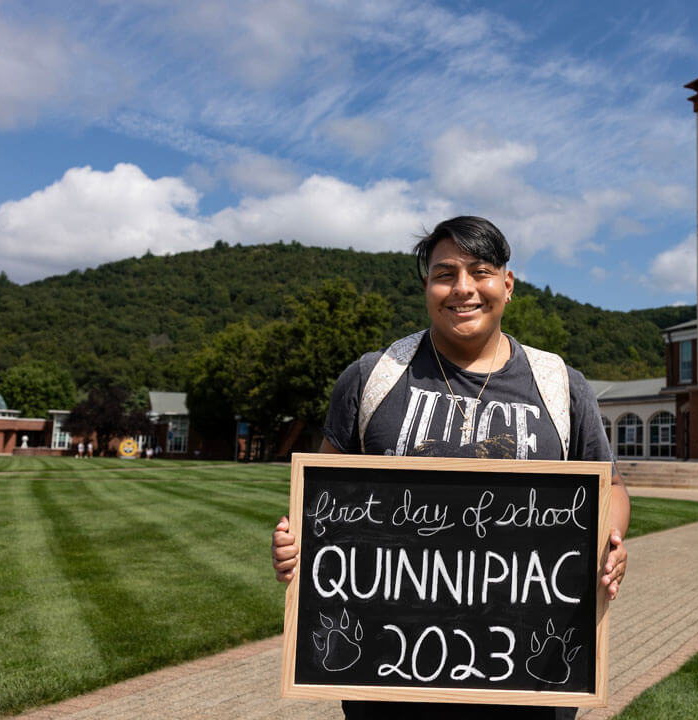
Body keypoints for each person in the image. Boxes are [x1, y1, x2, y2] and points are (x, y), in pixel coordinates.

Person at [270, 216, 630, 720]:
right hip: (390, 678)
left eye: (480, 271)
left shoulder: (561, 385)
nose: (463, 288)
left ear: (507, 284)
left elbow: (608, 487)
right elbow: (322, 502)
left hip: (529, 678)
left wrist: (607, 545)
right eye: (445, 274)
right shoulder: (371, 377)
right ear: (426, 287)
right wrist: (296, 542)